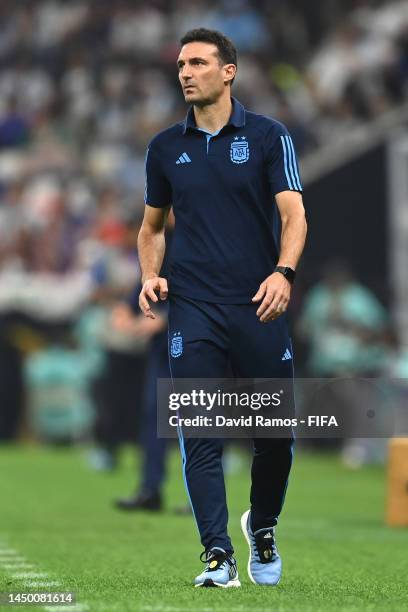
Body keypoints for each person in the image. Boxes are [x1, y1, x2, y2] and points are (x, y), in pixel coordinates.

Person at [138, 28, 307, 588]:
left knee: (276, 437)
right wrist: (149, 275)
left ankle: (262, 526)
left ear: (228, 71)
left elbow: (294, 216)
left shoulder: (267, 136)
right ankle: (218, 554)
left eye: (199, 63)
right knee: (199, 431)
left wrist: (283, 273)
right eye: (181, 64)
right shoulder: (165, 147)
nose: (186, 72)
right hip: (193, 310)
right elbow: (152, 227)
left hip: (258, 304)